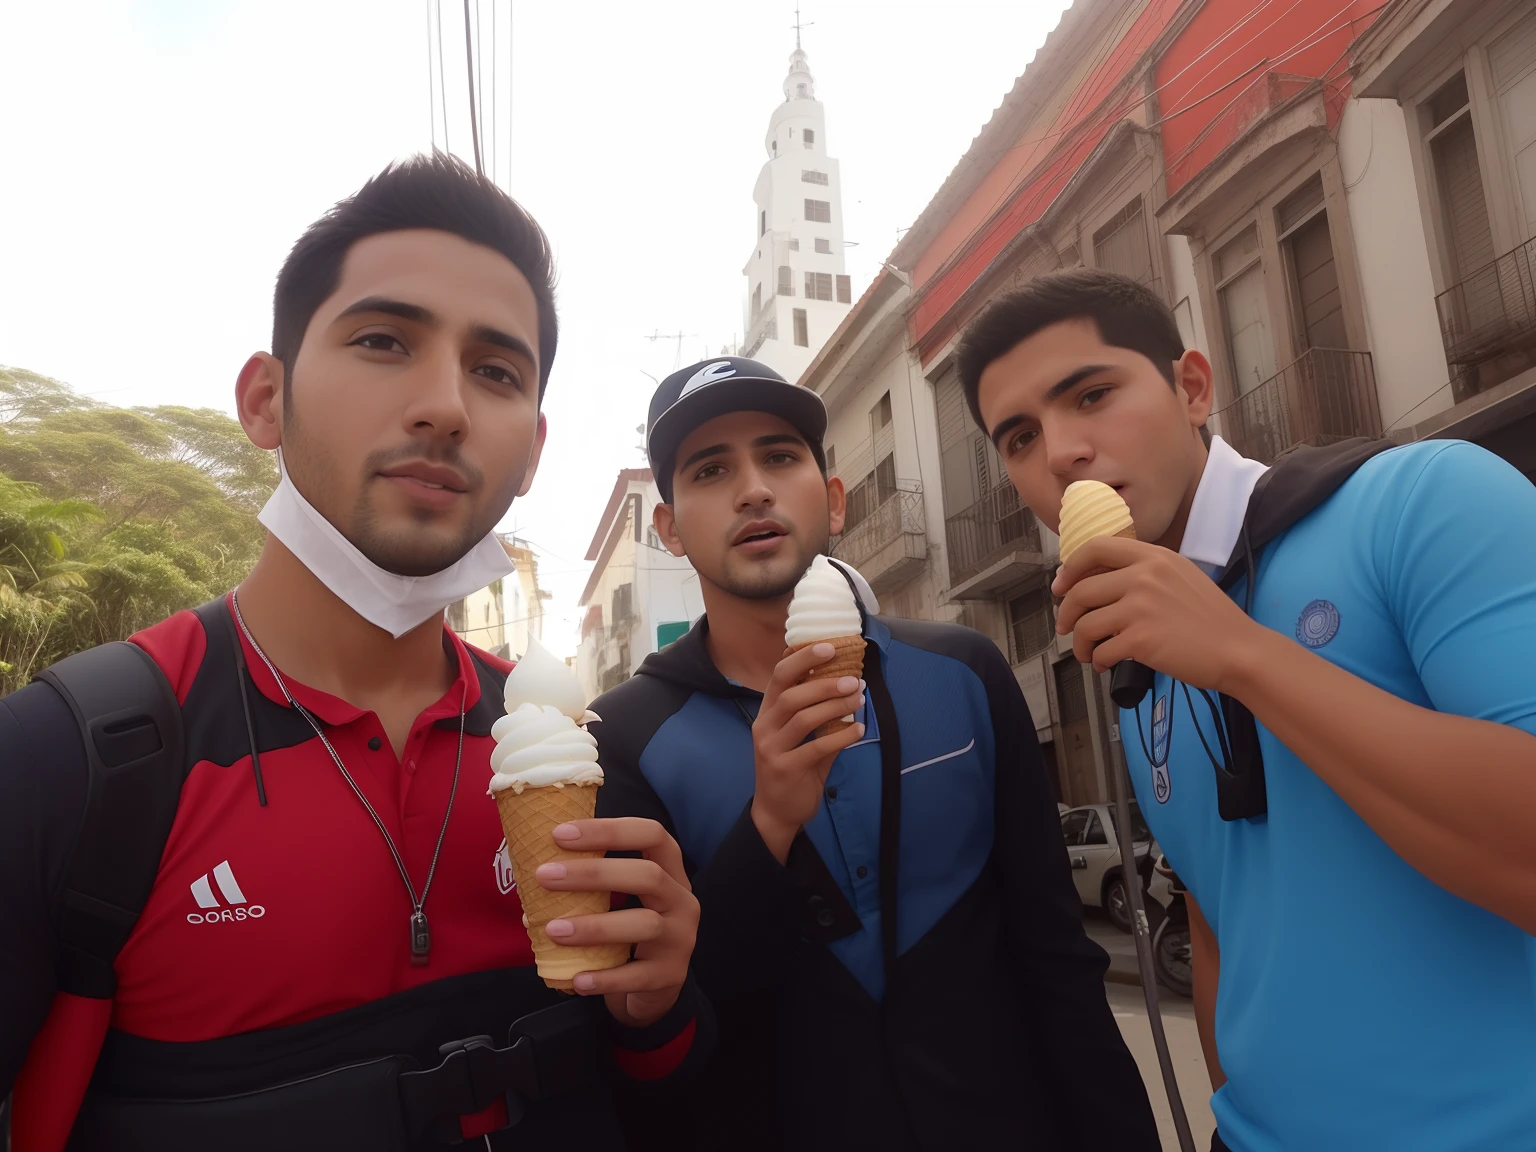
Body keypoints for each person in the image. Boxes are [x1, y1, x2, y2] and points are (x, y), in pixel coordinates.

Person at [0, 154, 707, 1152]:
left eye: (495, 370)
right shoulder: (63, 762)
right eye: (383, 340)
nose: (447, 405)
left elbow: (669, 1093)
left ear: (533, 447)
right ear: (264, 400)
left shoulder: (579, 758)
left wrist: (660, 1010)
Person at [956, 268, 1536, 1151]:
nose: (1063, 451)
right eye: (1021, 437)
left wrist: (1243, 656)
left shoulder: (1423, 500)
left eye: (1094, 393)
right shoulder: (1137, 666)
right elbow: (1219, 910)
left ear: (1193, 386)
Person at [588, 356, 1159, 1151]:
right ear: (671, 528)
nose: (753, 488)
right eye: (711, 469)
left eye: (780, 457)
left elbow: (1058, 958)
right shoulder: (624, 737)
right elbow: (673, 1019)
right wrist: (769, 823)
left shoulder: (962, 673)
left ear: (832, 499)